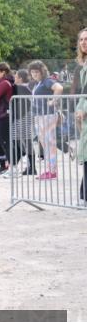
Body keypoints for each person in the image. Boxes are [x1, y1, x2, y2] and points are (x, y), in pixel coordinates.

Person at [28, 59, 64, 180]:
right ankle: (50, 169)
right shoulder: (38, 83)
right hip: (40, 116)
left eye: (36, 72)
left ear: (42, 71)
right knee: (45, 143)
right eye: (32, 72)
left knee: (49, 143)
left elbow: (59, 88)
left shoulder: (47, 81)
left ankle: (52, 170)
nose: (34, 74)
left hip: (47, 116)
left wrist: (53, 101)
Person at [73, 28, 87, 200]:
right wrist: (78, 109)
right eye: (82, 39)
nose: (84, 42)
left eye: (86, 39)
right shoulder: (83, 65)